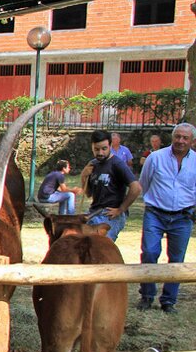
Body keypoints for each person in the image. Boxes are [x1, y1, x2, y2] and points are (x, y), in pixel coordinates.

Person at [136, 123, 196, 314]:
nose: (180, 141)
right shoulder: (156, 158)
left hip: (182, 217)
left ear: (192, 141)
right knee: (149, 253)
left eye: (185, 138)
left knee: (177, 260)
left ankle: (169, 300)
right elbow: (144, 183)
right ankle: (146, 296)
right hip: (155, 213)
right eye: (177, 136)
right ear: (172, 137)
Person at [81, 129, 141, 242]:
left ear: (110, 145)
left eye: (104, 149)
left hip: (110, 215)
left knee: (100, 246)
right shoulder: (93, 164)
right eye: (96, 149)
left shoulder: (117, 164)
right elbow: (88, 193)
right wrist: (83, 176)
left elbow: (136, 187)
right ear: (92, 147)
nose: (100, 153)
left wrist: (121, 209)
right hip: (94, 212)